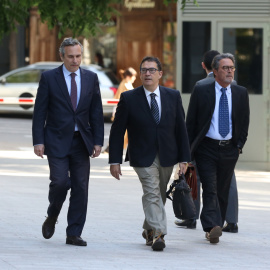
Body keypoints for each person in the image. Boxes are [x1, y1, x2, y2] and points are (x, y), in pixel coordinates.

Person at [109, 56, 191, 251]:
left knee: (159, 194)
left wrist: (184, 158)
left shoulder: (173, 96)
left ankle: (148, 229)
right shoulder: (129, 98)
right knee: (152, 191)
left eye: (152, 70)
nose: (147, 73)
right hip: (141, 155)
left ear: (160, 74)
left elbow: (181, 128)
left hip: (167, 154)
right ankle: (159, 233)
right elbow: (117, 131)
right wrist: (114, 160)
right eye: (144, 70)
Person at [32, 38, 104, 246]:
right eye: (71, 56)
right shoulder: (49, 78)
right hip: (56, 140)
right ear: (62, 56)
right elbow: (40, 112)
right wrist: (38, 141)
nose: (75, 60)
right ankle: (52, 214)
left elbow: (96, 112)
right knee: (60, 182)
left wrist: (98, 141)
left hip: (82, 141)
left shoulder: (91, 78)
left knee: (81, 187)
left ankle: (74, 233)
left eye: (78, 56)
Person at [186, 53, 249, 244]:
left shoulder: (240, 92)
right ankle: (211, 226)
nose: (229, 71)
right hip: (206, 147)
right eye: (225, 68)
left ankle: (216, 225)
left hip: (229, 149)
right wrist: (187, 152)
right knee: (210, 188)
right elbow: (191, 123)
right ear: (214, 71)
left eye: (232, 68)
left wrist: (238, 146)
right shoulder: (202, 91)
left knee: (222, 189)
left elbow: (244, 122)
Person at [175, 50, 239, 233]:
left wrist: (187, 147)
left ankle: (191, 216)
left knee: (193, 175)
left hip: (203, 143)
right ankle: (231, 220)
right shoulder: (233, 85)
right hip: (226, 145)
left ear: (204, 66)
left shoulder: (201, 84)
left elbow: (193, 120)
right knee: (228, 181)